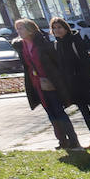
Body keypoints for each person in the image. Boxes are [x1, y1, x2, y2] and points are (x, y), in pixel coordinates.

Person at [11, 18, 79, 150]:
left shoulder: (43, 43)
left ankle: (73, 140)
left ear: (30, 29)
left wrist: (58, 81)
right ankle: (62, 140)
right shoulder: (21, 45)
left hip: (50, 82)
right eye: (17, 29)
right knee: (50, 113)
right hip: (36, 84)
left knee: (59, 111)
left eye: (21, 28)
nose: (19, 31)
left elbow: (57, 63)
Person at [50, 17, 90, 150]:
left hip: (85, 83)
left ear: (66, 28)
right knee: (85, 113)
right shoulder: (56, 44)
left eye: (59, 27)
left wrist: (83, 75)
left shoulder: (75, 40)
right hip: (72, 86)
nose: (57, 30)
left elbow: (86, 61)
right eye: (54, 28)